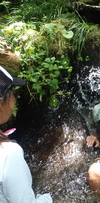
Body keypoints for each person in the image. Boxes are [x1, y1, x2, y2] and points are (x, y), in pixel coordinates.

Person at [0, 65, 53, 203]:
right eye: (12, 94)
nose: (14, 101)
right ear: (1, 105)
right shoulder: (9, 153)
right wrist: (47, 198)